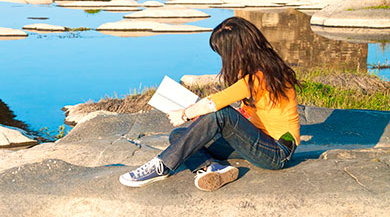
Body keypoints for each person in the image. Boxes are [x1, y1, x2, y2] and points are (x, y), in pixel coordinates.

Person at [119, 16, 300, 191]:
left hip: (277, 152)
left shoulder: (261, 76)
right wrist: (205, 119)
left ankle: (162, 165)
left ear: (237, 50)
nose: (223, 57)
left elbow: (215, 103)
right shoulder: (262, 70)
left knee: (220, 113)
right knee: (179, 136)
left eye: (223, 52)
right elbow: (252, 112)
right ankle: (212, 168)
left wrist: (185, 114)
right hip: (256, 141)